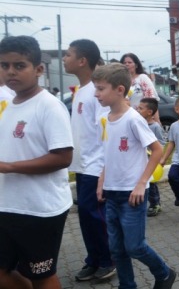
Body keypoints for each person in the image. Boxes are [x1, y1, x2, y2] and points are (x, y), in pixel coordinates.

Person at [92, 63, 176, 289]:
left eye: (100, 89)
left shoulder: (133, 119)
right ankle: (127, 285)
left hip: (133, 194)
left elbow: (157, 150)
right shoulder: (106, 118)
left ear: (119, 90)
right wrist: (102, 180)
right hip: (112, 192)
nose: (95, 93)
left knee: (135, 246)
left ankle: (164, 273)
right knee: (117, 248)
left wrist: (141, 184)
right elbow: (108, 155)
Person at [0, 36, 73, 289]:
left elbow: (63, 157)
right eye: (4, 65)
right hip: (8, 204)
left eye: (19, 65)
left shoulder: (49, 106)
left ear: (39, 70)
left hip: (40, 209)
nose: (10, 71)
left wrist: (8, 167)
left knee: (41, 275)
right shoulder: (8, 105)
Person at [63, 39, 116, 281]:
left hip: (96, 166)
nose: (64, 58)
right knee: (86, 216)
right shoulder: (81, 90)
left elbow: (108, 131)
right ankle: (93, 260)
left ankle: (109, 260)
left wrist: (105, 171)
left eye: (68, 54)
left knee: (95, 215)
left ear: (82, 60)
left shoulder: (97, 91)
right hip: (82, 164)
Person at [136, 98, 167, 217]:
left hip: (151, 160)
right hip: (140, 159)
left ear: (149, 112)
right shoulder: (138, 123)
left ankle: (155, 204)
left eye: (140, 108)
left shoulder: (155, 127)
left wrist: (158, 157)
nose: (138, 110)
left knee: (152, 182)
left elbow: (161, 143)